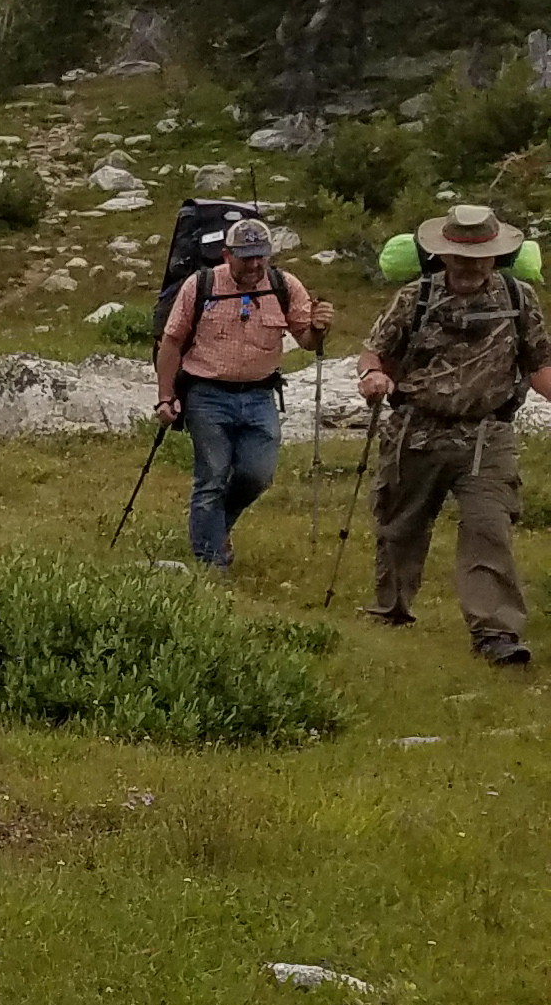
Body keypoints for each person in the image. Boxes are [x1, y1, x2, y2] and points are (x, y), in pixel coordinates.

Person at [357, 202, 551, 666]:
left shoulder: (519, 298)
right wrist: (373, 378)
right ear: (442, 255)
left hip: (489, 436)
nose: (469, 265)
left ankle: (496, 634)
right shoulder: (415, 297)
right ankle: (392, 608)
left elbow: (540, 364)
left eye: (479, 255)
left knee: (489, 527)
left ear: (496, 255)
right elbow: (374, 351)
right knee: (400, 526)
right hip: (414, 430)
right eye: (459, 255)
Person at [155, 217, 330, 570]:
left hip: (260, 396)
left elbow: (308, 342)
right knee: (213, 476)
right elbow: (171, 342)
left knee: (257, 475)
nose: (253, 265)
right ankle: (211, 565)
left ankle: (216, 528)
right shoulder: (201, 285)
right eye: (245, 257)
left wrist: (319, 327)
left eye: (260, 257)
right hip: (206, 394)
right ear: (226, 254)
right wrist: (165, 395)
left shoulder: (284, 285)